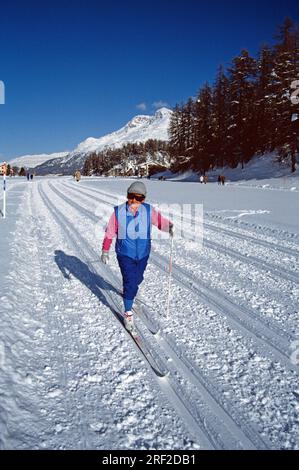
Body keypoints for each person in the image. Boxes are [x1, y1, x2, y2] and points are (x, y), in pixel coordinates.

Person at [101, 181, 173, 332]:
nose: (134, 201)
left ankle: (129, 289)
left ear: (143, 199)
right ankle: (127, 313)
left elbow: (160, 222)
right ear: (127, 196)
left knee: (137, 279)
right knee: (131, 282)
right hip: (124, 253)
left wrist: (169, 227)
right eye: (131, 196)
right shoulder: (118, 212)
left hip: (143, 253)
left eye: (138, 198)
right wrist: (105, 250)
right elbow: (110, 232)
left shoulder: (148, 211)